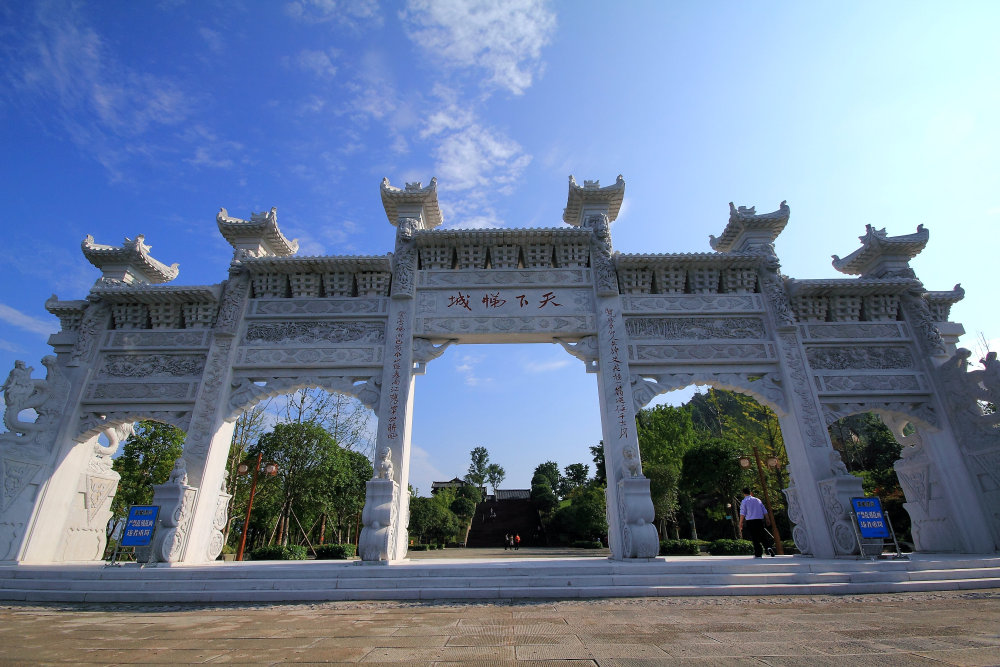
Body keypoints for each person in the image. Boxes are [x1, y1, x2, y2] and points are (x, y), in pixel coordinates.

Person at [738, 487, 770, 558]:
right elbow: (764, 510)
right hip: (759, 520)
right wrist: (767, 519)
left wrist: (740, 523)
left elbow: (742, 513)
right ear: (750, 492)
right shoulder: (757, 500)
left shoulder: (744, 501)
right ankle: (768, 548)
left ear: (743, 493)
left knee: (754, 537)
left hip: (751, 521)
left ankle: (758, 553)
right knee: (762, 535)